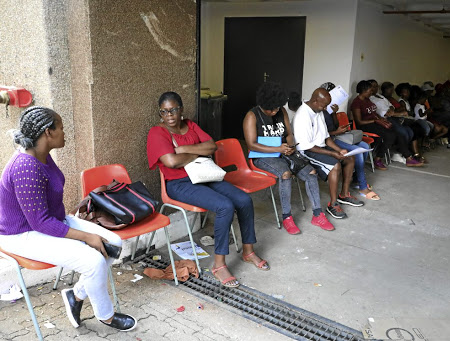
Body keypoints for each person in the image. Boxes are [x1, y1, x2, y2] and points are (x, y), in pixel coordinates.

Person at [0, 107, 137, 331]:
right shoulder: (25, 167)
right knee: (93, 262)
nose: (65, 133)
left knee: (114, 243)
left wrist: (83, 233)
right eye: (61, 128)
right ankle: (106, 316)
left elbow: (46, 214)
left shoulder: (42, 155)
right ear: (48, 132)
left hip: (52, 220)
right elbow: (39, 222)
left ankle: (76, 294)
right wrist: (86, 236)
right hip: (20, 234)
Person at [147, 92, 268, 287]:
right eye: (164, 111)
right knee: (224, 206)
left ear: (181, 109)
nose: (169, 115)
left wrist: (183, 150)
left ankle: (248, 251)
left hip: (205, 176)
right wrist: (195, 151)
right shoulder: (157, 133)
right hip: (179, 184)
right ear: (160, 113)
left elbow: (211, 147)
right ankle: (219, 265)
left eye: (173, 110)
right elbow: (170, 161)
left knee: (244, 200)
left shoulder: (191, 125)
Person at [243, 82, 334, 234]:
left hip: (284, 151)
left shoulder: (282, 111)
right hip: (262, 156)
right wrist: (278, 148)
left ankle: (318, 215)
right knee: (286, 174)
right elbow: (252, 145)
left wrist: (290, 145)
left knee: (311, 173)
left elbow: (289, 134)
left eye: (276, 108)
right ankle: (287, 217)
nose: (274, 112)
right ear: (262, 104)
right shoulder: (252, 116)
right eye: (270, 109)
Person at [293, 88, 363, 220]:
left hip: (320, 147)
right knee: (335, 165)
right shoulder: (302, 115)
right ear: (315, 101)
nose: (326, 108)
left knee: (349, 158)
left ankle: (344, 194)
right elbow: (306, 146)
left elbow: (327, 139)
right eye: (324, 105)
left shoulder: (318, 111)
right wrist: (333, 155)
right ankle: (333, 204)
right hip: (306, 151)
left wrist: (339, 150)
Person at [319, 82, 380, 201]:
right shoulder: (319, 111)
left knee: (364, 145)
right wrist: (336, 133)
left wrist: (334, 113)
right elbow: (321, 135)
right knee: (358, 152)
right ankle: (362, 187)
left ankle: (356, 178)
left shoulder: (329, 110)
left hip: (337, 136)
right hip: (329, 140)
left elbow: (335, 125)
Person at [352, 80, 422, 168]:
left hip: (375, 122)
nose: (372, 92)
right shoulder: (356, 103)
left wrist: (381, 119)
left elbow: (374, 113)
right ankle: (378, 159)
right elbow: (359, 122)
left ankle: (408, 158)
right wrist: (375, 121)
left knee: (397, 132)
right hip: (365, 126)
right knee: (390, 135)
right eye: (370, 90)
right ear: (364, 90)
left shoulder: (367, 100)